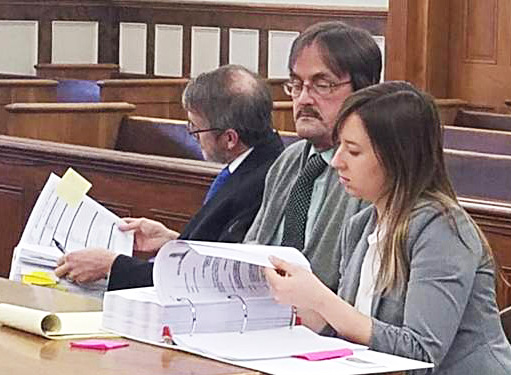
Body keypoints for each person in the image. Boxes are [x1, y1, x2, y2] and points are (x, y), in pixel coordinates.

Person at [264, 81, 511, 374]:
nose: (338, 162)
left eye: (353, 151)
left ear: (397, 158)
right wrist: (299, 306)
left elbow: (420, 355)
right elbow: (358, 333)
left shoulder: (442, 229)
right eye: (339, 146)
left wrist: (321, 299)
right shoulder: (359, 226)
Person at [55, 64, 284, 289]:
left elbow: (211, 277)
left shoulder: (263, 182)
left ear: (230, 139)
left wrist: (112, 266)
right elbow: (213, 248)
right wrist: (172, 241)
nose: (193, 136)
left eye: (195, 129)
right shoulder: (255, 163)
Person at [244, 21, 382, 291]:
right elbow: (255, 245)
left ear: (363, 92)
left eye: (322, 85)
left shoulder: (372, 170)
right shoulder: (289, 160)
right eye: (296, 85)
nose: (304, 99)